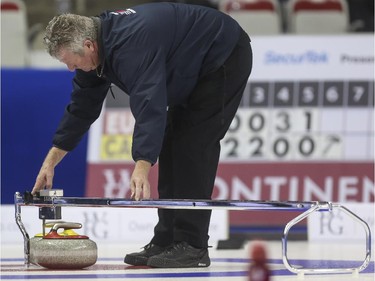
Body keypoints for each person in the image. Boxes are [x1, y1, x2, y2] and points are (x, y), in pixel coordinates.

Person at [31, 2, 253, 268]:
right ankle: (167, 239)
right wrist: (52, 158)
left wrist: (142, 163)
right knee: (172, 143)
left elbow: (149, 103)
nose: (70, 68)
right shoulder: (95, 50)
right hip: (188, 63)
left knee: (194, 146)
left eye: (70, 61)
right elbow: (81, 108)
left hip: (222, 55)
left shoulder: (131, 44)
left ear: (89, 45)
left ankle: (192, 246)